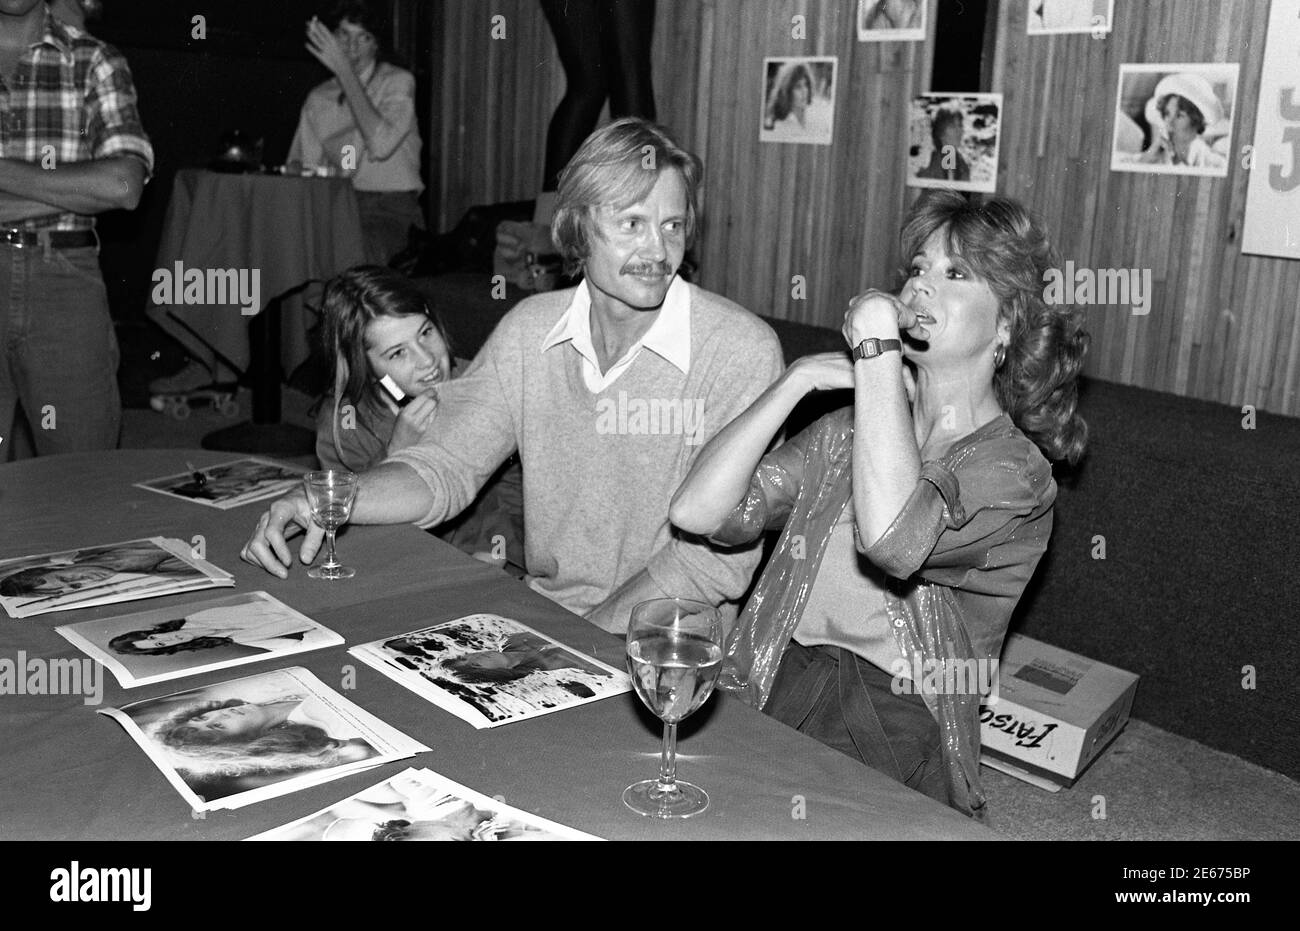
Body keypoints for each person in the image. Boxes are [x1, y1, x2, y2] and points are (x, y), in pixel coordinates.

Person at [243, 118, 785, 633]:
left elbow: (713, 565)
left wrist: (582, 639)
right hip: (544, 619)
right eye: (632, 223)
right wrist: (330, 498)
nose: (658, 250)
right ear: (577, 228)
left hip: (663, 648)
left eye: (672, 225)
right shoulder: (531, 331)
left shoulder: (738, 351)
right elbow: (445, 464)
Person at [670, 190, 1088, 819]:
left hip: (898, 712)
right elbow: (697, 513)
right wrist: (797, 382)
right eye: (918, 268)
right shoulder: (847, 432)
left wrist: (875, 352)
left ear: (1007, 325)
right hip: (774, 673)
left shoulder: (1015, 474)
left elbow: (892, 539)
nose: (922, 286)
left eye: (955, 274)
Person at [0, 0, 153, 460]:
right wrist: (71, 187)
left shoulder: (92, 60)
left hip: (64, 277)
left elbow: (123, 184)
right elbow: (102, 184)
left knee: (82, 474)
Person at [314, 264, 524, 565]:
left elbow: (514, 490)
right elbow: (355, 533)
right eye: (398, 353)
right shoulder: (343, 424)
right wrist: (399, 452)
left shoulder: (480, 386)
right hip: (400, 566)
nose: (427, 359)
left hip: (489, 557)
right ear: (364, 366)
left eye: (425, 333)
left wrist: (492, 551)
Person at [289, 1, 423, 265]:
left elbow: (381, 146)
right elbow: (306, 168)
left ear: (376, 45)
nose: (352, 47)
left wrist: (344, 72)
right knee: (294, 249)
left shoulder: (397, 82)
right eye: (343, 35)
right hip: (339, 206)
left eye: (364, 37)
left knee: (351, 253)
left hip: (390, 209)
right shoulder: (319, 98)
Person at [154, 696, 377, 778]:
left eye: (201, 718)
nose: (220, 714)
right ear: (243, 742)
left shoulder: (267, 695)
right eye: (219, 726)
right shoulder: (331, 723)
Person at [108, 603, 316, 656]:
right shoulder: (237, 640)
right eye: (160, 645)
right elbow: (298, 645)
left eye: (155, 637)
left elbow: (273, 608)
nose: (170, 639)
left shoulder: (201, 618)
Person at [0, 543, 192, 599]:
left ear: (55, 567)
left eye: (65, 578)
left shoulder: (86, 546)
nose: (84, 580)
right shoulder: (166, 569)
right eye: (75, 586)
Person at [1137, 72, 1228, 170]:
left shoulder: (1215, 165)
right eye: (1167, 113)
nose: (1169, 122)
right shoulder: (1151, 158)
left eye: (1179, 115)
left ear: (1197, 123)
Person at [763, 62, 831, 141]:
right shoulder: (781, 127)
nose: (804, 91)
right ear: (787, 92)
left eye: (806, 85)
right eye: (798, 87)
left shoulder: (819, 117)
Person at [916, 105, 970, 182]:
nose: (959, 131)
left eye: (960, 126)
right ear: (941, 133)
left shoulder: (962, 164)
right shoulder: (928, 163)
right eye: (953, 127)